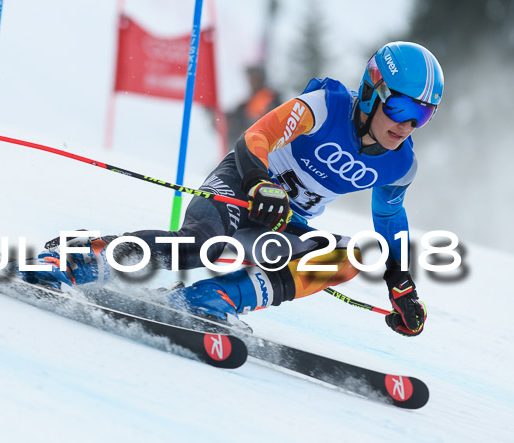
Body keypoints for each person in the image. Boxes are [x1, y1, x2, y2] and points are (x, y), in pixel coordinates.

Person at [25, 41, 443, 337]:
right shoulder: (324, 106)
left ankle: (212, 298)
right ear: (372, 92)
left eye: (422, 116)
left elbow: (390, 223)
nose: (406, 125)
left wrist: (400, 283)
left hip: (284, 222)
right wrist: (260, 182)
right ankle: (71, 259)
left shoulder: (401, 165)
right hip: (241, 185)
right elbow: (254, 138)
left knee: (355, 255)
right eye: (400, 107)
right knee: (198, 245)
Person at [225, 65, 283, 149]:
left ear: (261, 79)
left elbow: (259, 121)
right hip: (248, 145)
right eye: (250, 78)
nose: (251, 81)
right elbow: (237, 115)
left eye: (253, 78)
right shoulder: (250, 101)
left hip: (262, 145)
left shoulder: (268, 97)